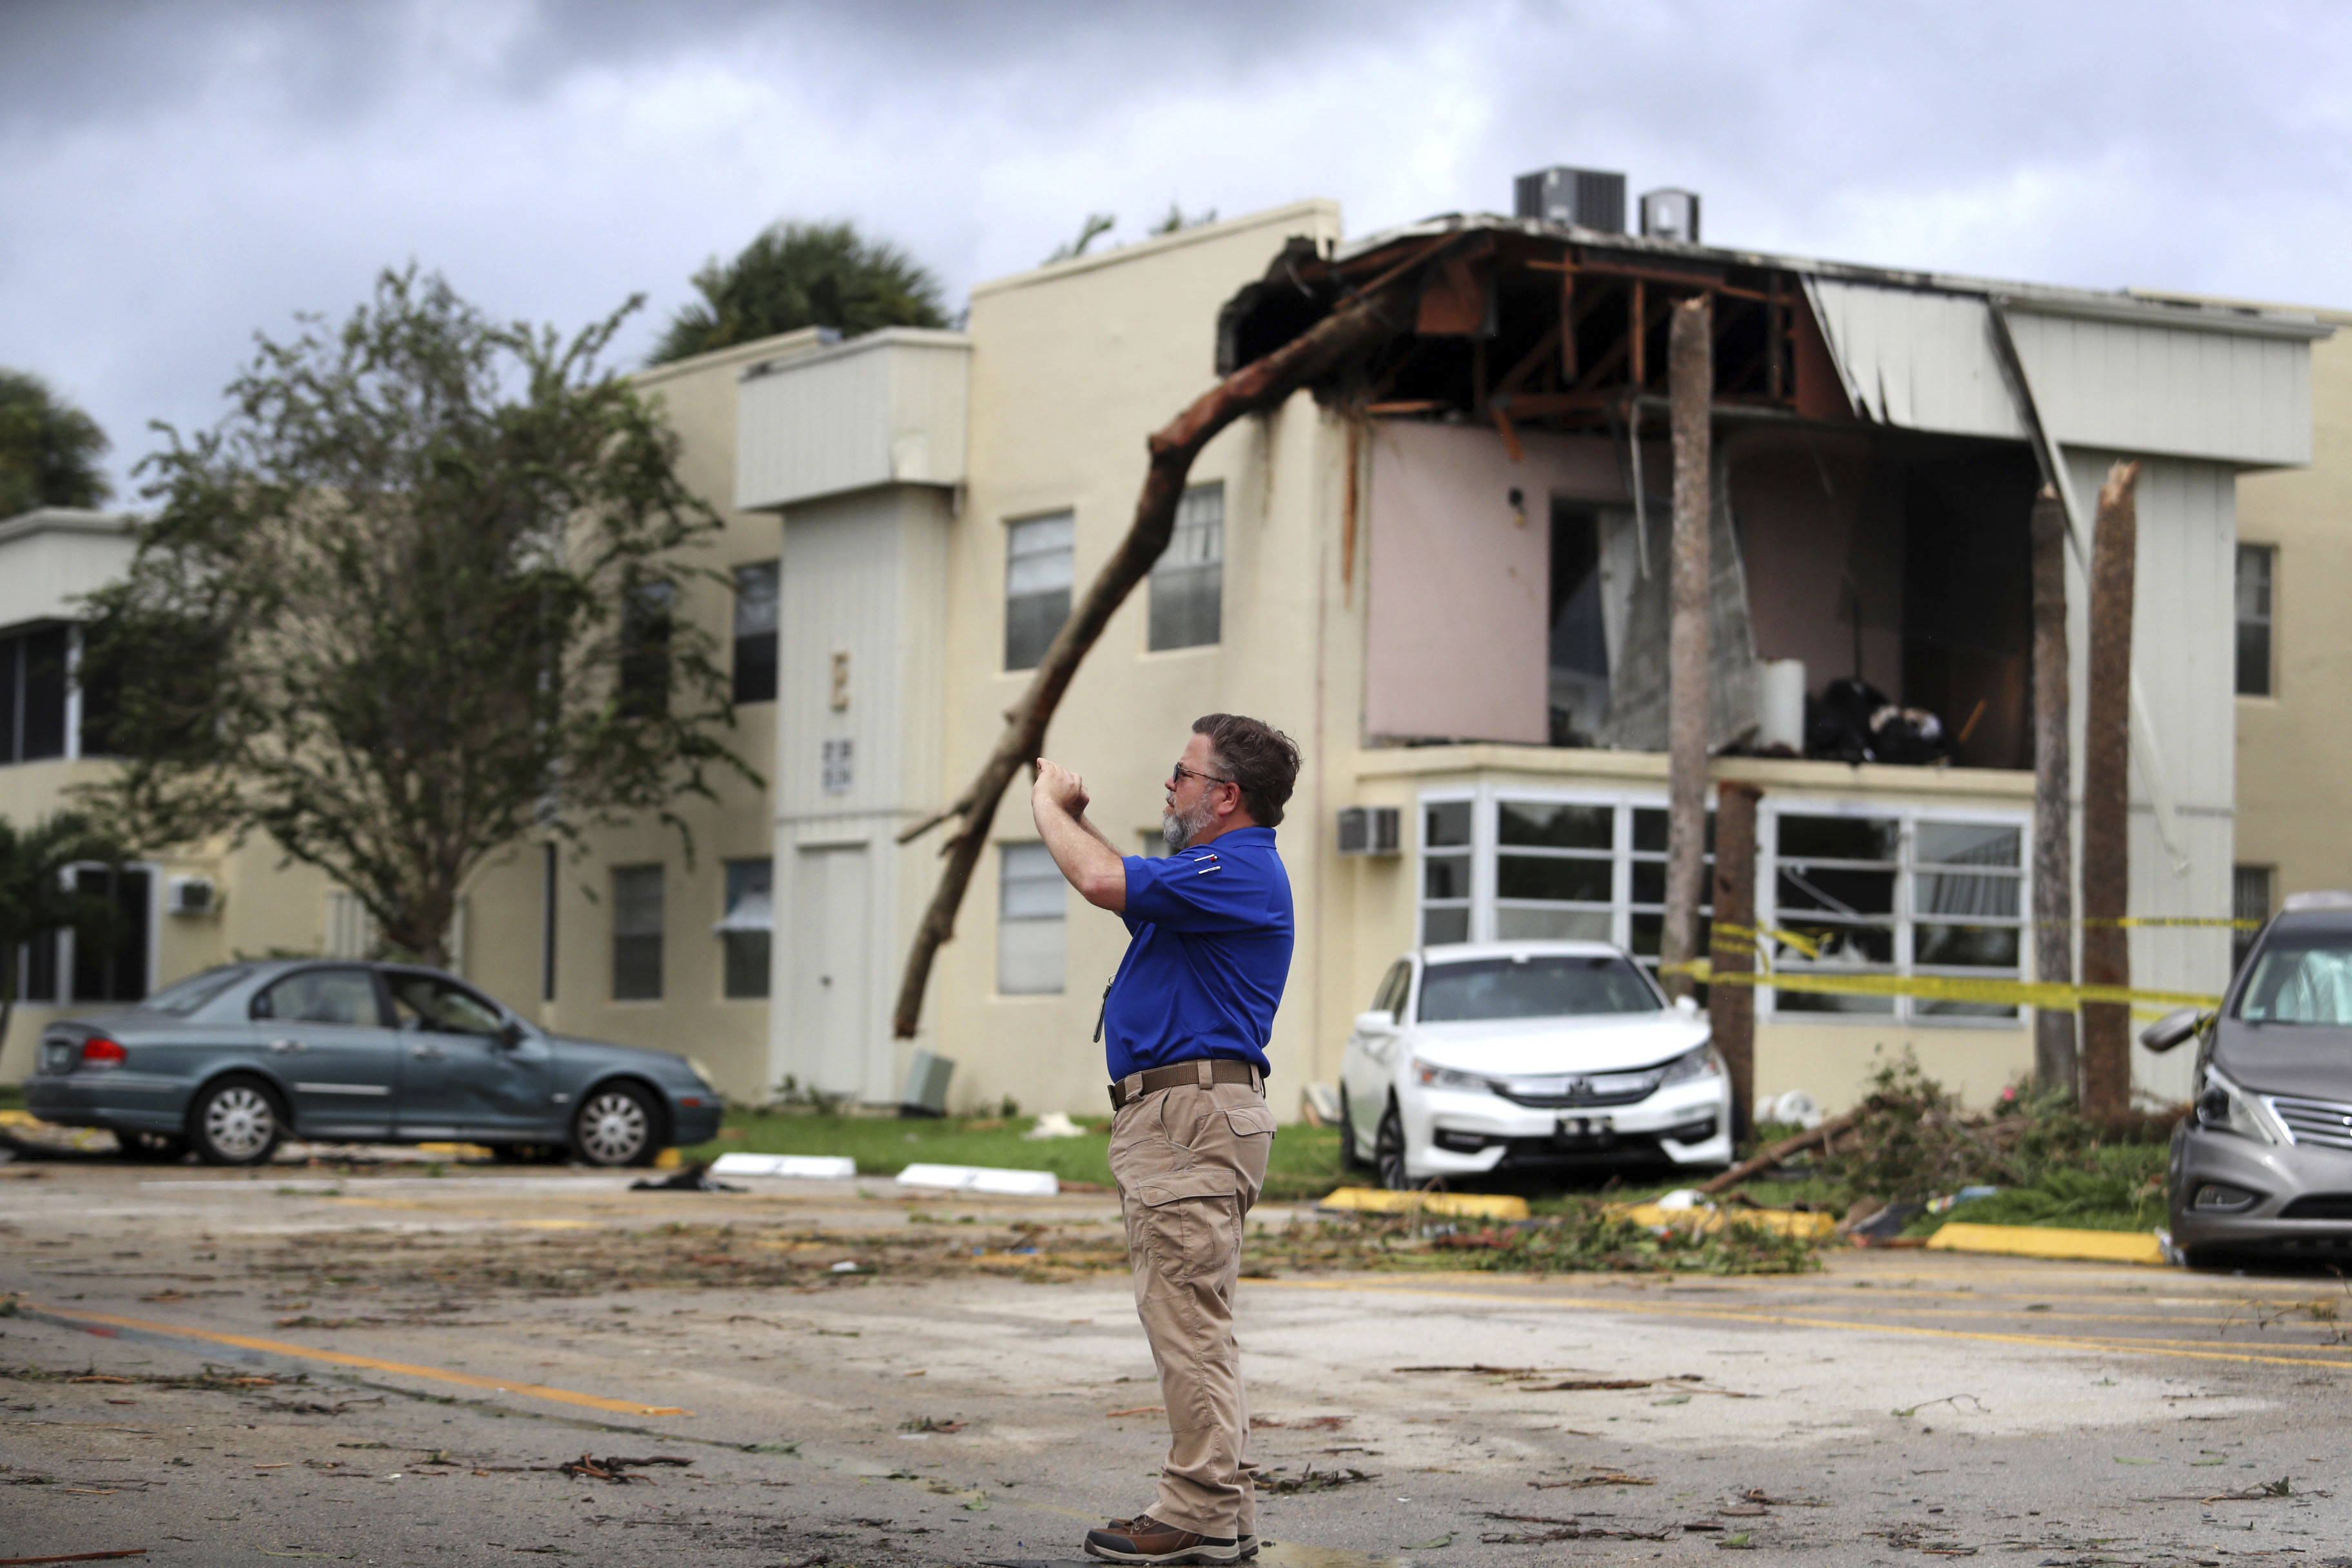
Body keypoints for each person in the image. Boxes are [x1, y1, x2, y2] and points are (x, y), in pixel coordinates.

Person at [1030, 712, 1301, 1566]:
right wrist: (1075, 821)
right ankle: (1219, 1513)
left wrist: (1046, 807)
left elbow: (1105, 883)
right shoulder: (1209, 876)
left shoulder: (1238, 867)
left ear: (1226, 796)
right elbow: (1128, 881)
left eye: (1182, 774)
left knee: (1187, 1319)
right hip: (1185, 1116)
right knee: (1191, 1316)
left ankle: (1199, 1511)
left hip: (1188, 1119)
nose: (1169, 785)